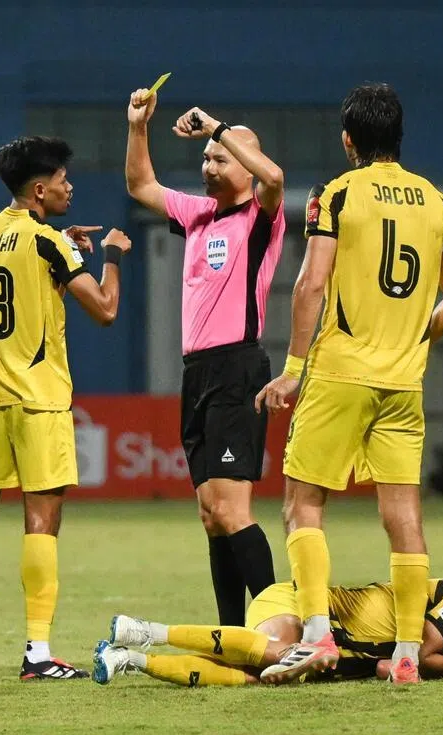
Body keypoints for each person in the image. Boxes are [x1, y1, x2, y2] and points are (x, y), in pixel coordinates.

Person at [255, 83, 443, 685]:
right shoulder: (439, 203)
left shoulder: (336, 194)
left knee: (303, 505)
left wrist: (293, 373)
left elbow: (310, 286)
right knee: (403, 515)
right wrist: (412, 339)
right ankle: (406, 654)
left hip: (341, 372)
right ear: (399, 136)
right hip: (404, 383)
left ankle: (319, 637)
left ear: (349, 139)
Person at [0, 137, 132, 681]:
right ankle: (38, 652)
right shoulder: (51, 246)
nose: (70, 186)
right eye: (62, 179)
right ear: (40, 189)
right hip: (39, 402)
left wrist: (62, 245)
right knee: (42, 524)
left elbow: (22, 259)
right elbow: (105, 310)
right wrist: (110, 258)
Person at [125, 88, 286, 626]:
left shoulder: (260, 218)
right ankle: (232, 634)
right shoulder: (197, 216)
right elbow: (140, 184)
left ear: (243, 163)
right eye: (205, 157)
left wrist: (218, 128)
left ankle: (276, 632)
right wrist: (138, 127)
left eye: (219, 157)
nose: (208, 163)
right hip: (197, 373)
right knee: (211, 515)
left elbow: (275, 179)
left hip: (238, 368)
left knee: (233, 510)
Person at [92, 577, 443, 686]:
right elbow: (413, 656)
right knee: (277, 653)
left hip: (329, 649)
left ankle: (129, 658)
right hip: (301, 604)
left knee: (254, 677)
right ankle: (145, 630)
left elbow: (385, 670)